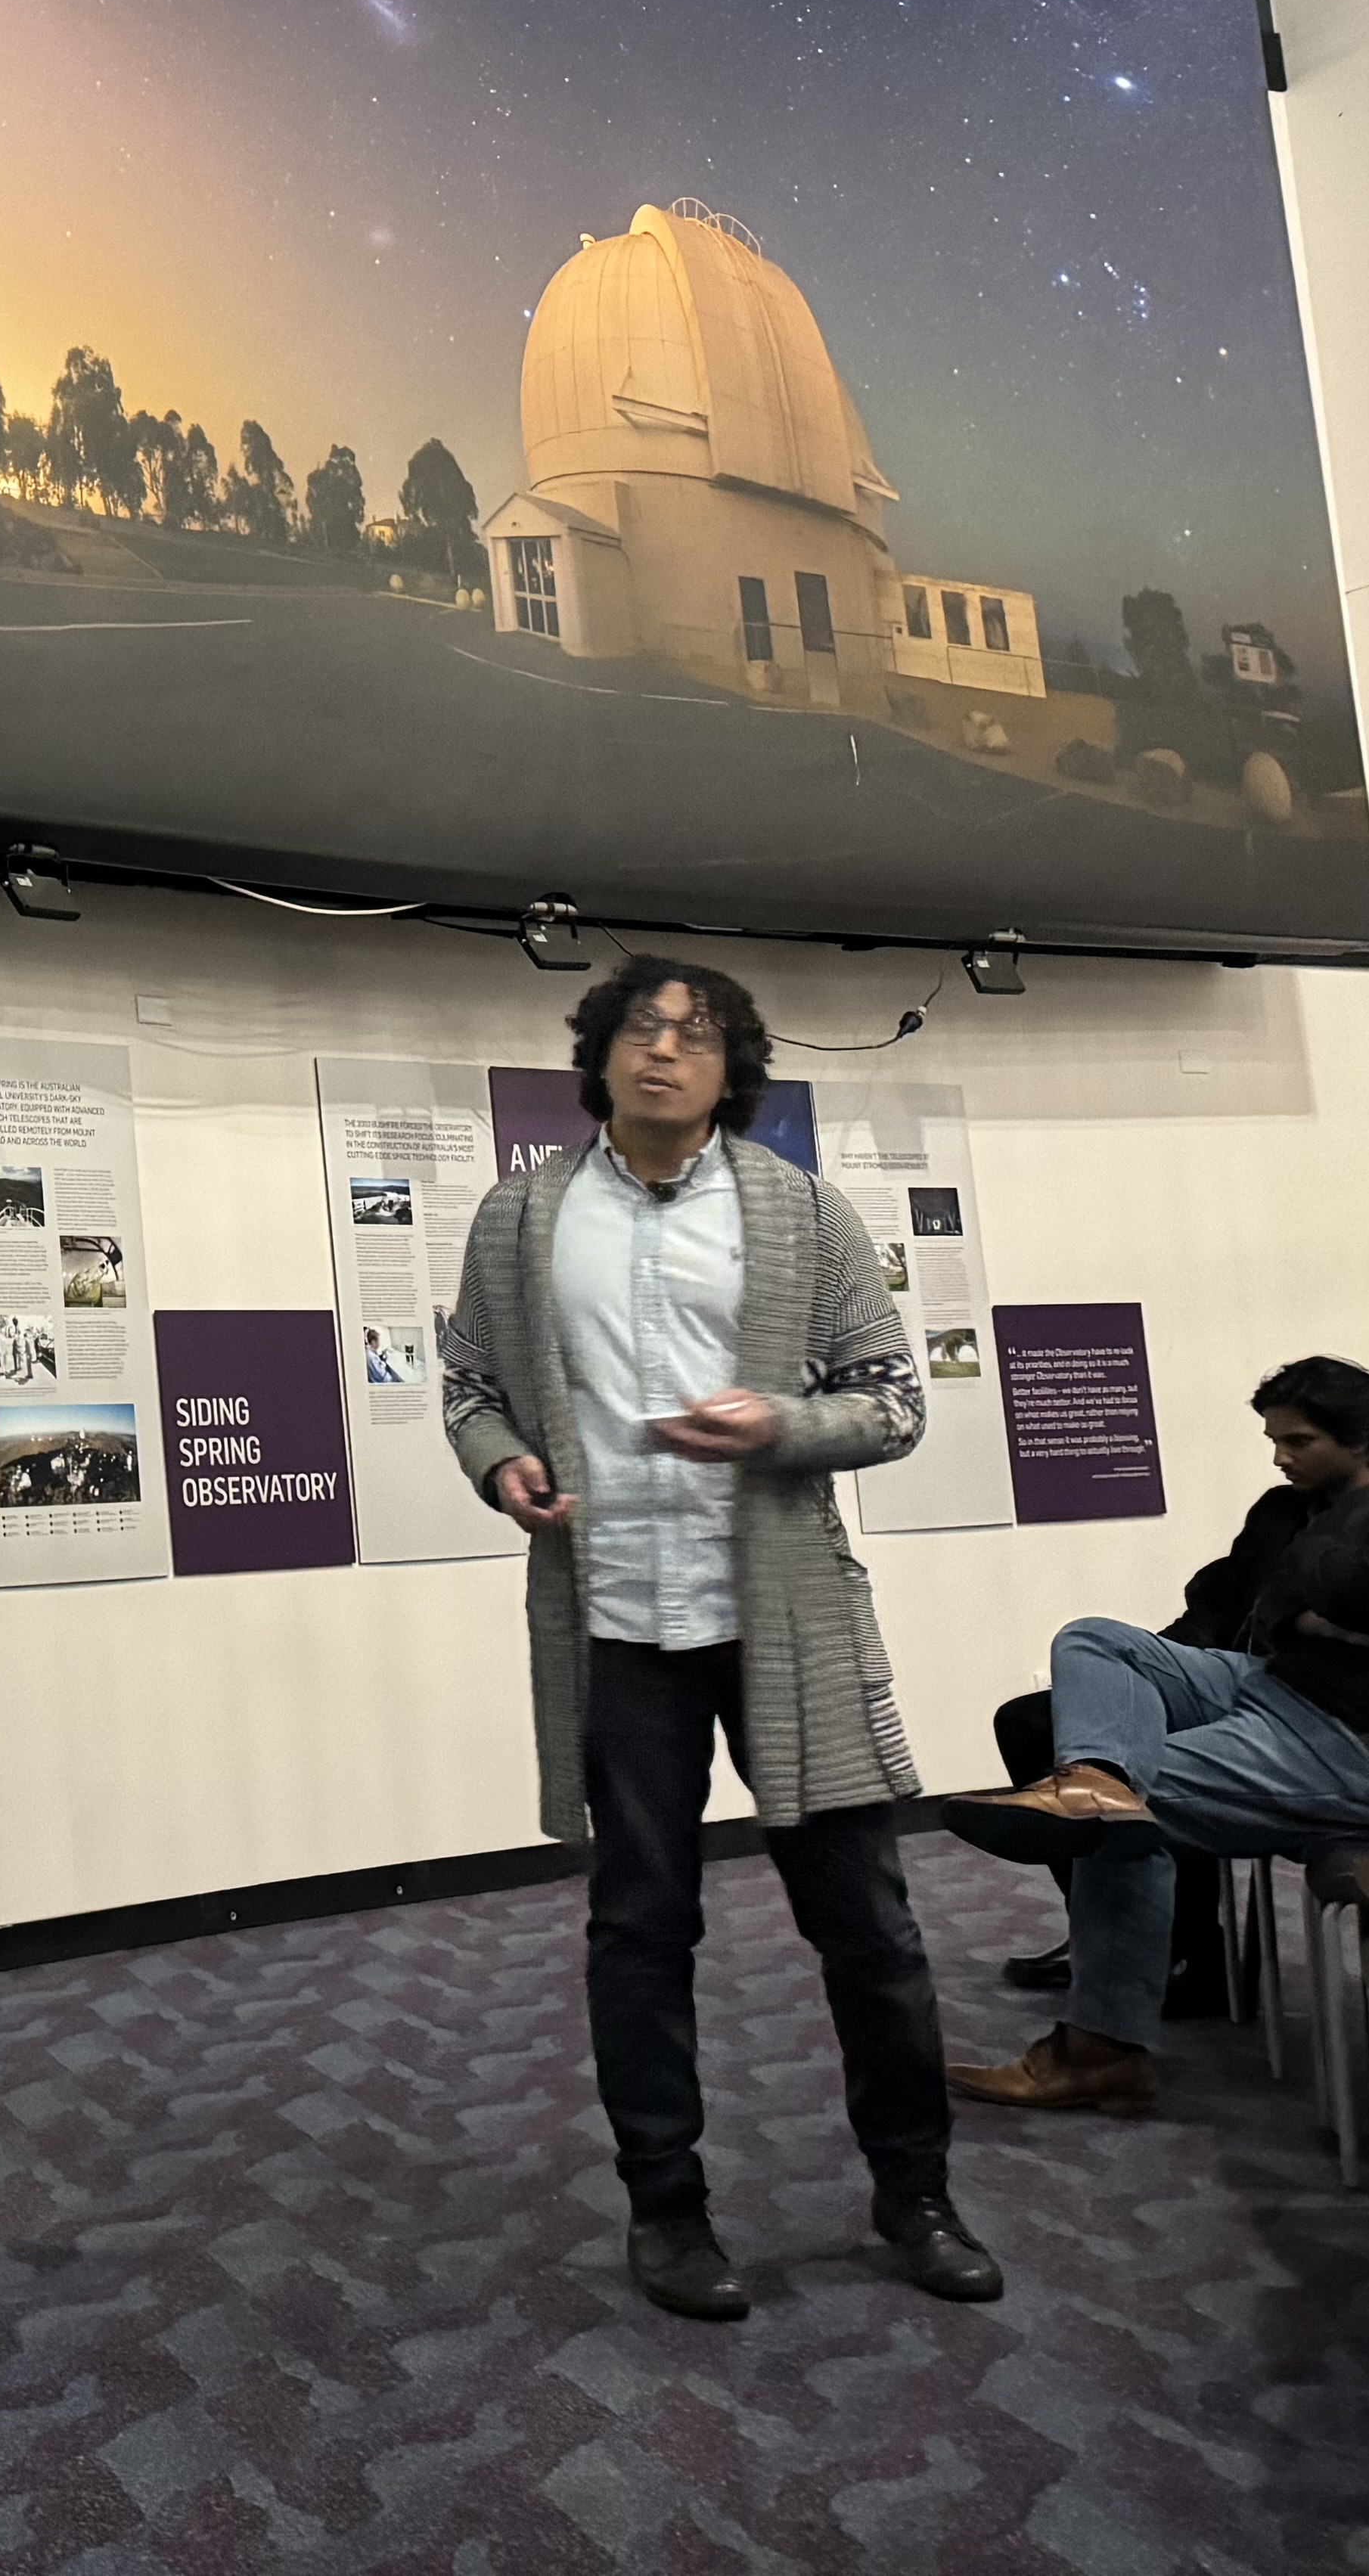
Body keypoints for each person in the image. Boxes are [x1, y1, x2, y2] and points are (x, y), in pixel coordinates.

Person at [442, 954, 999, 2320]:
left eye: (693, 1034)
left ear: (729, 1068)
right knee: (639, 1925)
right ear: (599, 1053)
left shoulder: (798, 1210)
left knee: (865, 1922)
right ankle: (667, 2209)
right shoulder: (520, 1217)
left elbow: (889, 1399)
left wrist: (776, 1425)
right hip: (617, 1621)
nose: (661, 1049)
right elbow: (467, 1387)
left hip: (785, 1619)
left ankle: (916, 2192)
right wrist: (500, 1458)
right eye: (638, 1025)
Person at [945, 1342, 1369, 2116]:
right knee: (1095, 1640)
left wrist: (1341, 1600)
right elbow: (1299, 1590)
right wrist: (1348, 1611)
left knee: (1117, 1817)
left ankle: (1101, 2049)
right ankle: (1095, 1777)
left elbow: (1338, 1578)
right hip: (1300, 1692)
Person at [989, 1357, 1369, 2000]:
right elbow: (1216, 1607)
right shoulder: (1280, 1511)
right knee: (1033, 1720)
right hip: (1227, 1676)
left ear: (1359, 1437)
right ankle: (1112, 1927)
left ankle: (1186, 1951)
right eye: (1274, 1441)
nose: (1279, 1458)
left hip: (1308, 1710)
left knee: (1142, 1768)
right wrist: (1153, 1676)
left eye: (1298, 1442)